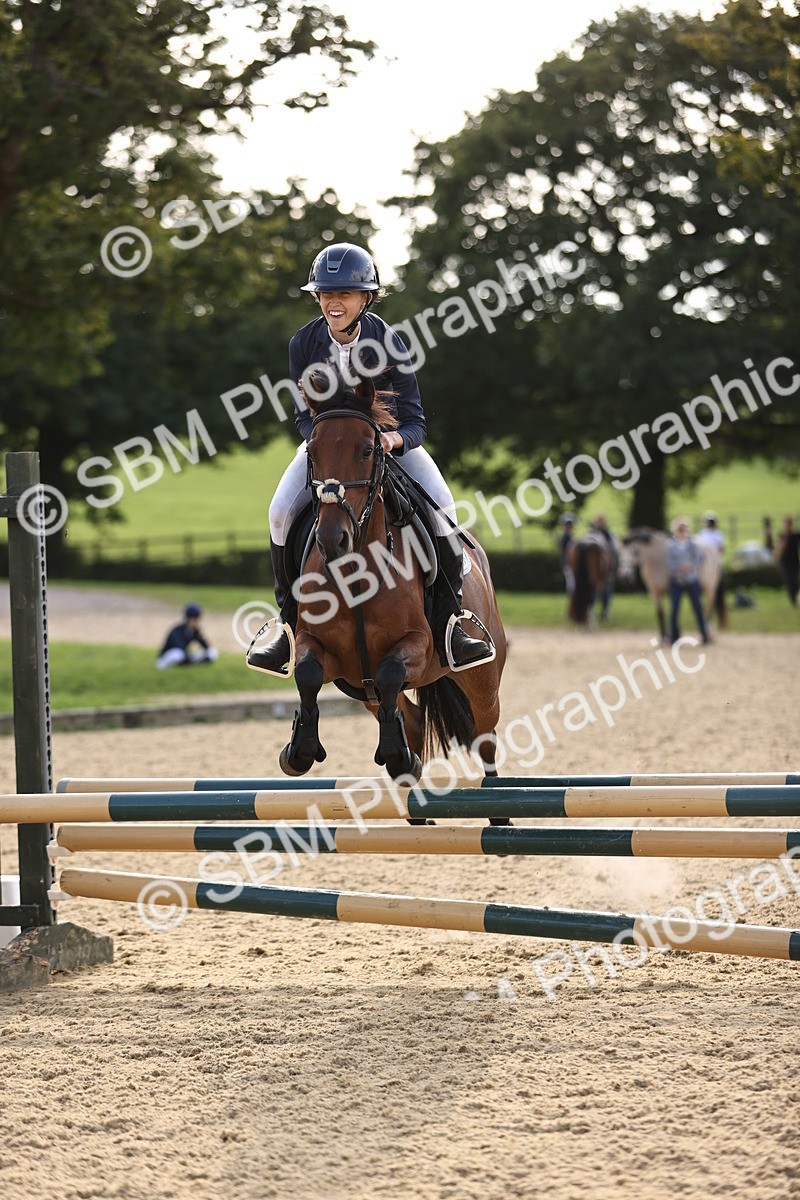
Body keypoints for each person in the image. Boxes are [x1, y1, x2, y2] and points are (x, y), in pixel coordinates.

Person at [247, 242, 493, 675]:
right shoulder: (303, 343)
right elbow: (303, 415)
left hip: (388, 447)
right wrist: (324, 442)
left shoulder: (388, 342)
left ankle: (452, 621)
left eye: (343, 293)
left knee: (444, 507)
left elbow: (415, 423)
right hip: (329, 449)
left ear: (366, 298)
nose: (332, 302)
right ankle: (287, 626)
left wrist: (390, 440)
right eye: (325, 293)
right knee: (279, 511)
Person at [666, 518, 710, 644]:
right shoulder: (670, 546)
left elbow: (698, 559)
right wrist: (680, 568)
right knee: (674, 609)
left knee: (698, 607)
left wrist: (689, 566)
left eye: (683, 528)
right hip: (677, 580)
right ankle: (674, 635)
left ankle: (704, 634)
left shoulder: (693, 544)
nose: (682, 531)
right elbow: (669, 563)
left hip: (692, 579)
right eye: (679, 529)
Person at [156, 603, 219, 669]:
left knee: (212, 652)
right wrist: (188, 657)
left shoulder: (193, 631)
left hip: (184, 656)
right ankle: (187, 663)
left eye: (196, 619)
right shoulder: (177, 630)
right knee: (178, 654)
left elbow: (206, 647)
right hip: (164, 660)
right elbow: (179, 647)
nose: (195, 622)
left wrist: (199, 634)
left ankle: (193, 664)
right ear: (187, 618)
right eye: (193, 619)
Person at [695, 510, 726, 617]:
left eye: (712, 521)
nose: (710, 523)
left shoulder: (718, 534)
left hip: (715, 560)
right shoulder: (702, 534)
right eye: (709, 521)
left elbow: (721, 549)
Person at [589, 513, 616, 621]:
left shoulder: (609, 535)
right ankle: (591, 611)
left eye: (601, 521)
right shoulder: (590, 534)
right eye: (598, 521)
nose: (599, 523)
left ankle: (605, 612)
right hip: (593, 571)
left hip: (606, 571)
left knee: (606, 592)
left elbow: (613, 551)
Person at [775, 515, 800, 606]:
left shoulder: (796, 535)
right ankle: (793, 601)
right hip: (785, 562)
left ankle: (794, 598)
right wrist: (786, 536)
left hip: (795, 561)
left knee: (797, 581)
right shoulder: (782, 535)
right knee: (790, 581)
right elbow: (781, 548)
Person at [558, 514, 576, 597]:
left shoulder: (569, 537)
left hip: (571, 563)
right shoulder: (565, 538)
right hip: (568, 563)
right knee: (571, 584)